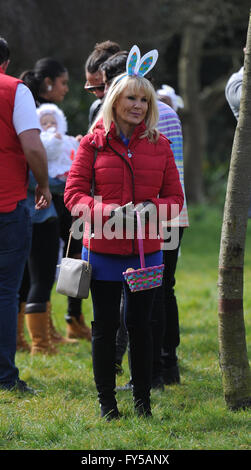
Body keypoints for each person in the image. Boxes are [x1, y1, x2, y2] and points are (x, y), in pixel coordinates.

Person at [64, 45, 184, 420]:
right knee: (104, 328)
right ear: (114, 101)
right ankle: (107, 404)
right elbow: (73, 195)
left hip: (146, 252)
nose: (138, 106)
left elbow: (175, 200)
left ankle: (143, 403)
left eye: (144, 100)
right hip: (102, 251)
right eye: (131, 98)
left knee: (142, 327)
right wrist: (109, 213)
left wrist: (149, 212)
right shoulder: (92, 143)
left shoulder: (159, 146)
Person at [101, 50, 189, 389]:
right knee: (164, 290)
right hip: (174, 212)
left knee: (148, 293)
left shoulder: (149, 119)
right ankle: (167, 365)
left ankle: (152, 371)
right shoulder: (166, 110)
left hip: (150, 216)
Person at [18, 58, 91, 355]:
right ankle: (42, 339)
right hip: (43, 206)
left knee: (36, 272)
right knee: (42, 272)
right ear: (48, 83)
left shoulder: (32, 113)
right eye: (63, 83)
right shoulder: (34, 118)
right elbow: (38, 165)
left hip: (38, 206)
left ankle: (44, 332)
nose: (66, 89)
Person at [0, 37, 51, 391]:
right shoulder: (14, 90)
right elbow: (32, 145)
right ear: (4, 63)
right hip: (7, 202)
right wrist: (44, 185)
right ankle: (3, 377)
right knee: (4, 291)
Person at [37, 103, 79, 181]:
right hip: (55, 170)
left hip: (68, 167)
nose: (49, 125)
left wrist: (77, 142)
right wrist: (55, 141)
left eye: (53, 123)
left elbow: (71, 148)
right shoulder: (42, 139)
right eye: (44, 123)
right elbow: (50, 154)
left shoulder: (63, 137)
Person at [84, 41, 120, 127]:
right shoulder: (96, 109)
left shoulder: (139, 110)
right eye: (91, 89)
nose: (98, 94)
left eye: (101, 87)